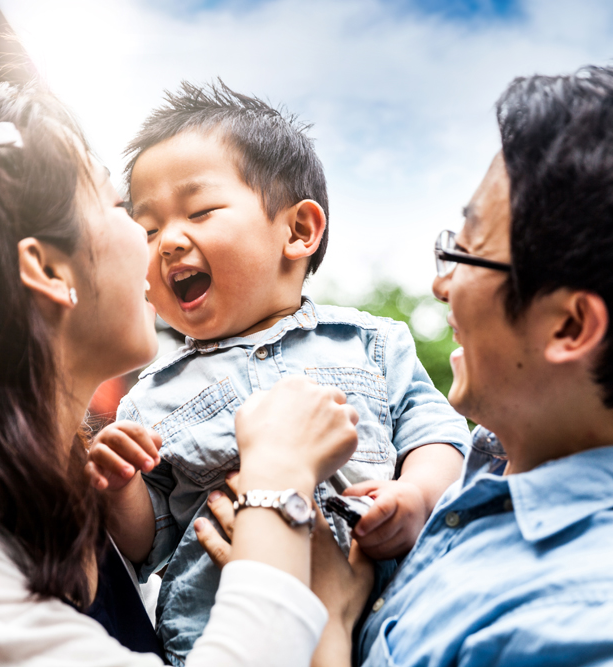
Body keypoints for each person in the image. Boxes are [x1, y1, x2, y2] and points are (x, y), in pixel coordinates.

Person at [205, 55, 613, 666]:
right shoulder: (490, 480)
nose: (442, 284)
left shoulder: (606, 625)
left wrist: (324, 620)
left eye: (470, 251)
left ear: (569, 325)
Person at [0, 77, 371, 666]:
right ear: (49, 270)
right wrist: (279, 476)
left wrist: (331, 618)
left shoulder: (75, 492)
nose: (152, 241)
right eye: (120, 209)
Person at [84, 81, 470, 663]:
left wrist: (415, 495)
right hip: (226, 630)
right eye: (148, 229)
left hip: (394, 614)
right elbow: (149, 544)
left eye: (200, 210)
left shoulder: (370, 343)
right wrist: (122, 489)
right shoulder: (150, 399)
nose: (167, 243)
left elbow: (437, 435)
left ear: (298, 231)